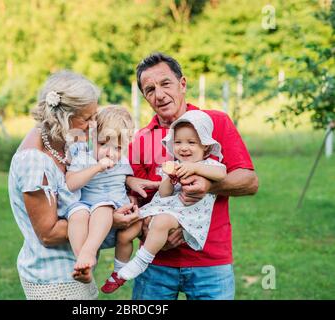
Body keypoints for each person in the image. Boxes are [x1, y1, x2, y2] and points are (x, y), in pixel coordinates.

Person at [126, 53, 259, 300]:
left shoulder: (215, 122)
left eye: (166, 83)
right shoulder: (141, 140)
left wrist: (208, 185)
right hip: (155, 264)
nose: (160, 94)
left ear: (182, 84)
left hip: (210, 262)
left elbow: (249, 182)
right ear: (145, 97)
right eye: (150, 89)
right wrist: (148, 230)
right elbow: (133, 200)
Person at [8, 70, 146, 300]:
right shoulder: (33, 160)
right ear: (63, 117)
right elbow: (49, 233)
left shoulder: (66, 144)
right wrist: (111, 220)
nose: (94, 124)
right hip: (54, 279)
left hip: (76, 271)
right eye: (87, 118)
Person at [101, 110, 227, 292]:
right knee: (126, 233)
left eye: (191, 143)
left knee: (161, 221)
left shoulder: (209, 165)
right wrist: (169, 178)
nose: (184, 148)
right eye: (178, 142)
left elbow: (222, 173)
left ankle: (141, 261)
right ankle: (119, 273)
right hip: (162, 208)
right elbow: (165, 194)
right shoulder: (173, 164)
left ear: (205, 147)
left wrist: (193, 167)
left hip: (187, 215)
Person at [65, 106, 135, 281]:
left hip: (110, 214)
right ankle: (84, 263)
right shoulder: (84, 158)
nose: (109, 152)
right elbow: (71, 183)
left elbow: (127, 180)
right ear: (92, 137)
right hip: (86, 208)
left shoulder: (123, 162)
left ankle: (88, 253)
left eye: (117, 148)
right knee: (77, 213)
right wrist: (97, 167)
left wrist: (137, 186)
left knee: (104, 207)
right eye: (103, 144)